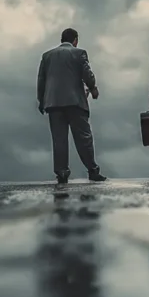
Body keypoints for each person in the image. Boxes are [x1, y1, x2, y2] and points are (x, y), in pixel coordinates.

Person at [37, 28, 108, 184]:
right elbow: (87, 74)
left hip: (54, 103)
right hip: (75, 102)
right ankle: (92, 170)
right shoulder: (79, 53)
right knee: (84, 138)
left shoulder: (47, 56)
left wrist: (41, 101)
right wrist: (93, 88)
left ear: (62, 39)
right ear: (75, 40)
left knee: (59, 139)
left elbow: (41, 80)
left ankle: (62, 173)